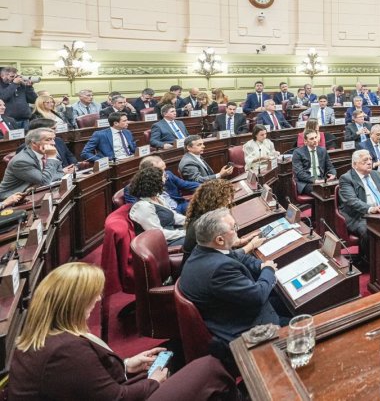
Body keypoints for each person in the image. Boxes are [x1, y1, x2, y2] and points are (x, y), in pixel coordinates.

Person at [9, 263, 236, 400]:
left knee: (174, 351)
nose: (98, 299)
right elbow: (116, 398)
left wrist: (127, 364)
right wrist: (154, 382)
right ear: (73, 304)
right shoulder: (64, 352)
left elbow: (83, 382)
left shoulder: (45, 337)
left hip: (118, 385)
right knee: (209, 366)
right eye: (93, 295)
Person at [178, 208, 283, 343]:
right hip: (248, 330)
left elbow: (235, 256)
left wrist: (259, 266)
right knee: (305, 316)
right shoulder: (219, 270)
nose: (236, 231)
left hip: (231, 311)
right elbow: (258, 296)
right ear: (220, 239)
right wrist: (268, 270)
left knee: (281, 299)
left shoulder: (203, 250)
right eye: (233, 228)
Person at [182, 179, 263, 259]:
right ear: (215, 202)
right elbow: (224, 258)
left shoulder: (203, 216)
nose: (229, 203)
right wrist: (251, 245)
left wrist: (240, 241)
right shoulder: (204, 226)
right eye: (226, 200)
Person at [338, 150, 380, 260]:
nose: (369, 162)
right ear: (355, 165)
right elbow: (352, 201)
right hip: (359, 216)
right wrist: (371, 209)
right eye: (365, 160)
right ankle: (372, 261)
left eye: (370, 159)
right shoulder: (346, 178)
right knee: (370, 230)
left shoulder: (376, 174)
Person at [0, 128, 73, 200]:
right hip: (12, 198)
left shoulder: (47, 152)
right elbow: (45, 181)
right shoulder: (21, 161)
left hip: (35, 191)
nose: (53, 143)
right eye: (48, 140)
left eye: (53, 139)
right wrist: (51, 158)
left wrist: (51, 173)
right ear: (34, 143)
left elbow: (59, 173)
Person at [128, 167, 185, 246]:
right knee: (200, 239)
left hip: (173, 234)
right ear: (154, 183)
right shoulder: (143, 206)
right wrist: (184, 233)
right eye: (163, 177)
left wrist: (191, 222)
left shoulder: (158, 197)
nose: (165, 180)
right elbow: (157, 233)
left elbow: (174, 216)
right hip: (162, 243)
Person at [124, 155, 198, 215]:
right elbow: (137, 210)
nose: (165, 173)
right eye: (161, 171)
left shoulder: (167, 175)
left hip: (178, 206)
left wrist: (206, 186)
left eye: (164, 169)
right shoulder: (132, 188)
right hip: (163, 215)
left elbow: (186, 184)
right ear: (148, 172)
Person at [293, 129, 336, 196]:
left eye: (316, 137)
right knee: (321, 192)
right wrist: (314, 181)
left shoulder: (322, 150)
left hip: (321, 179)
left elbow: (330, 166)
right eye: (312, 139)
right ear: (305, 141)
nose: (315, 140)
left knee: (339, 188)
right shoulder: (298, 152)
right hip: (307, 182)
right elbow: (299, 173)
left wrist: (333, 174)